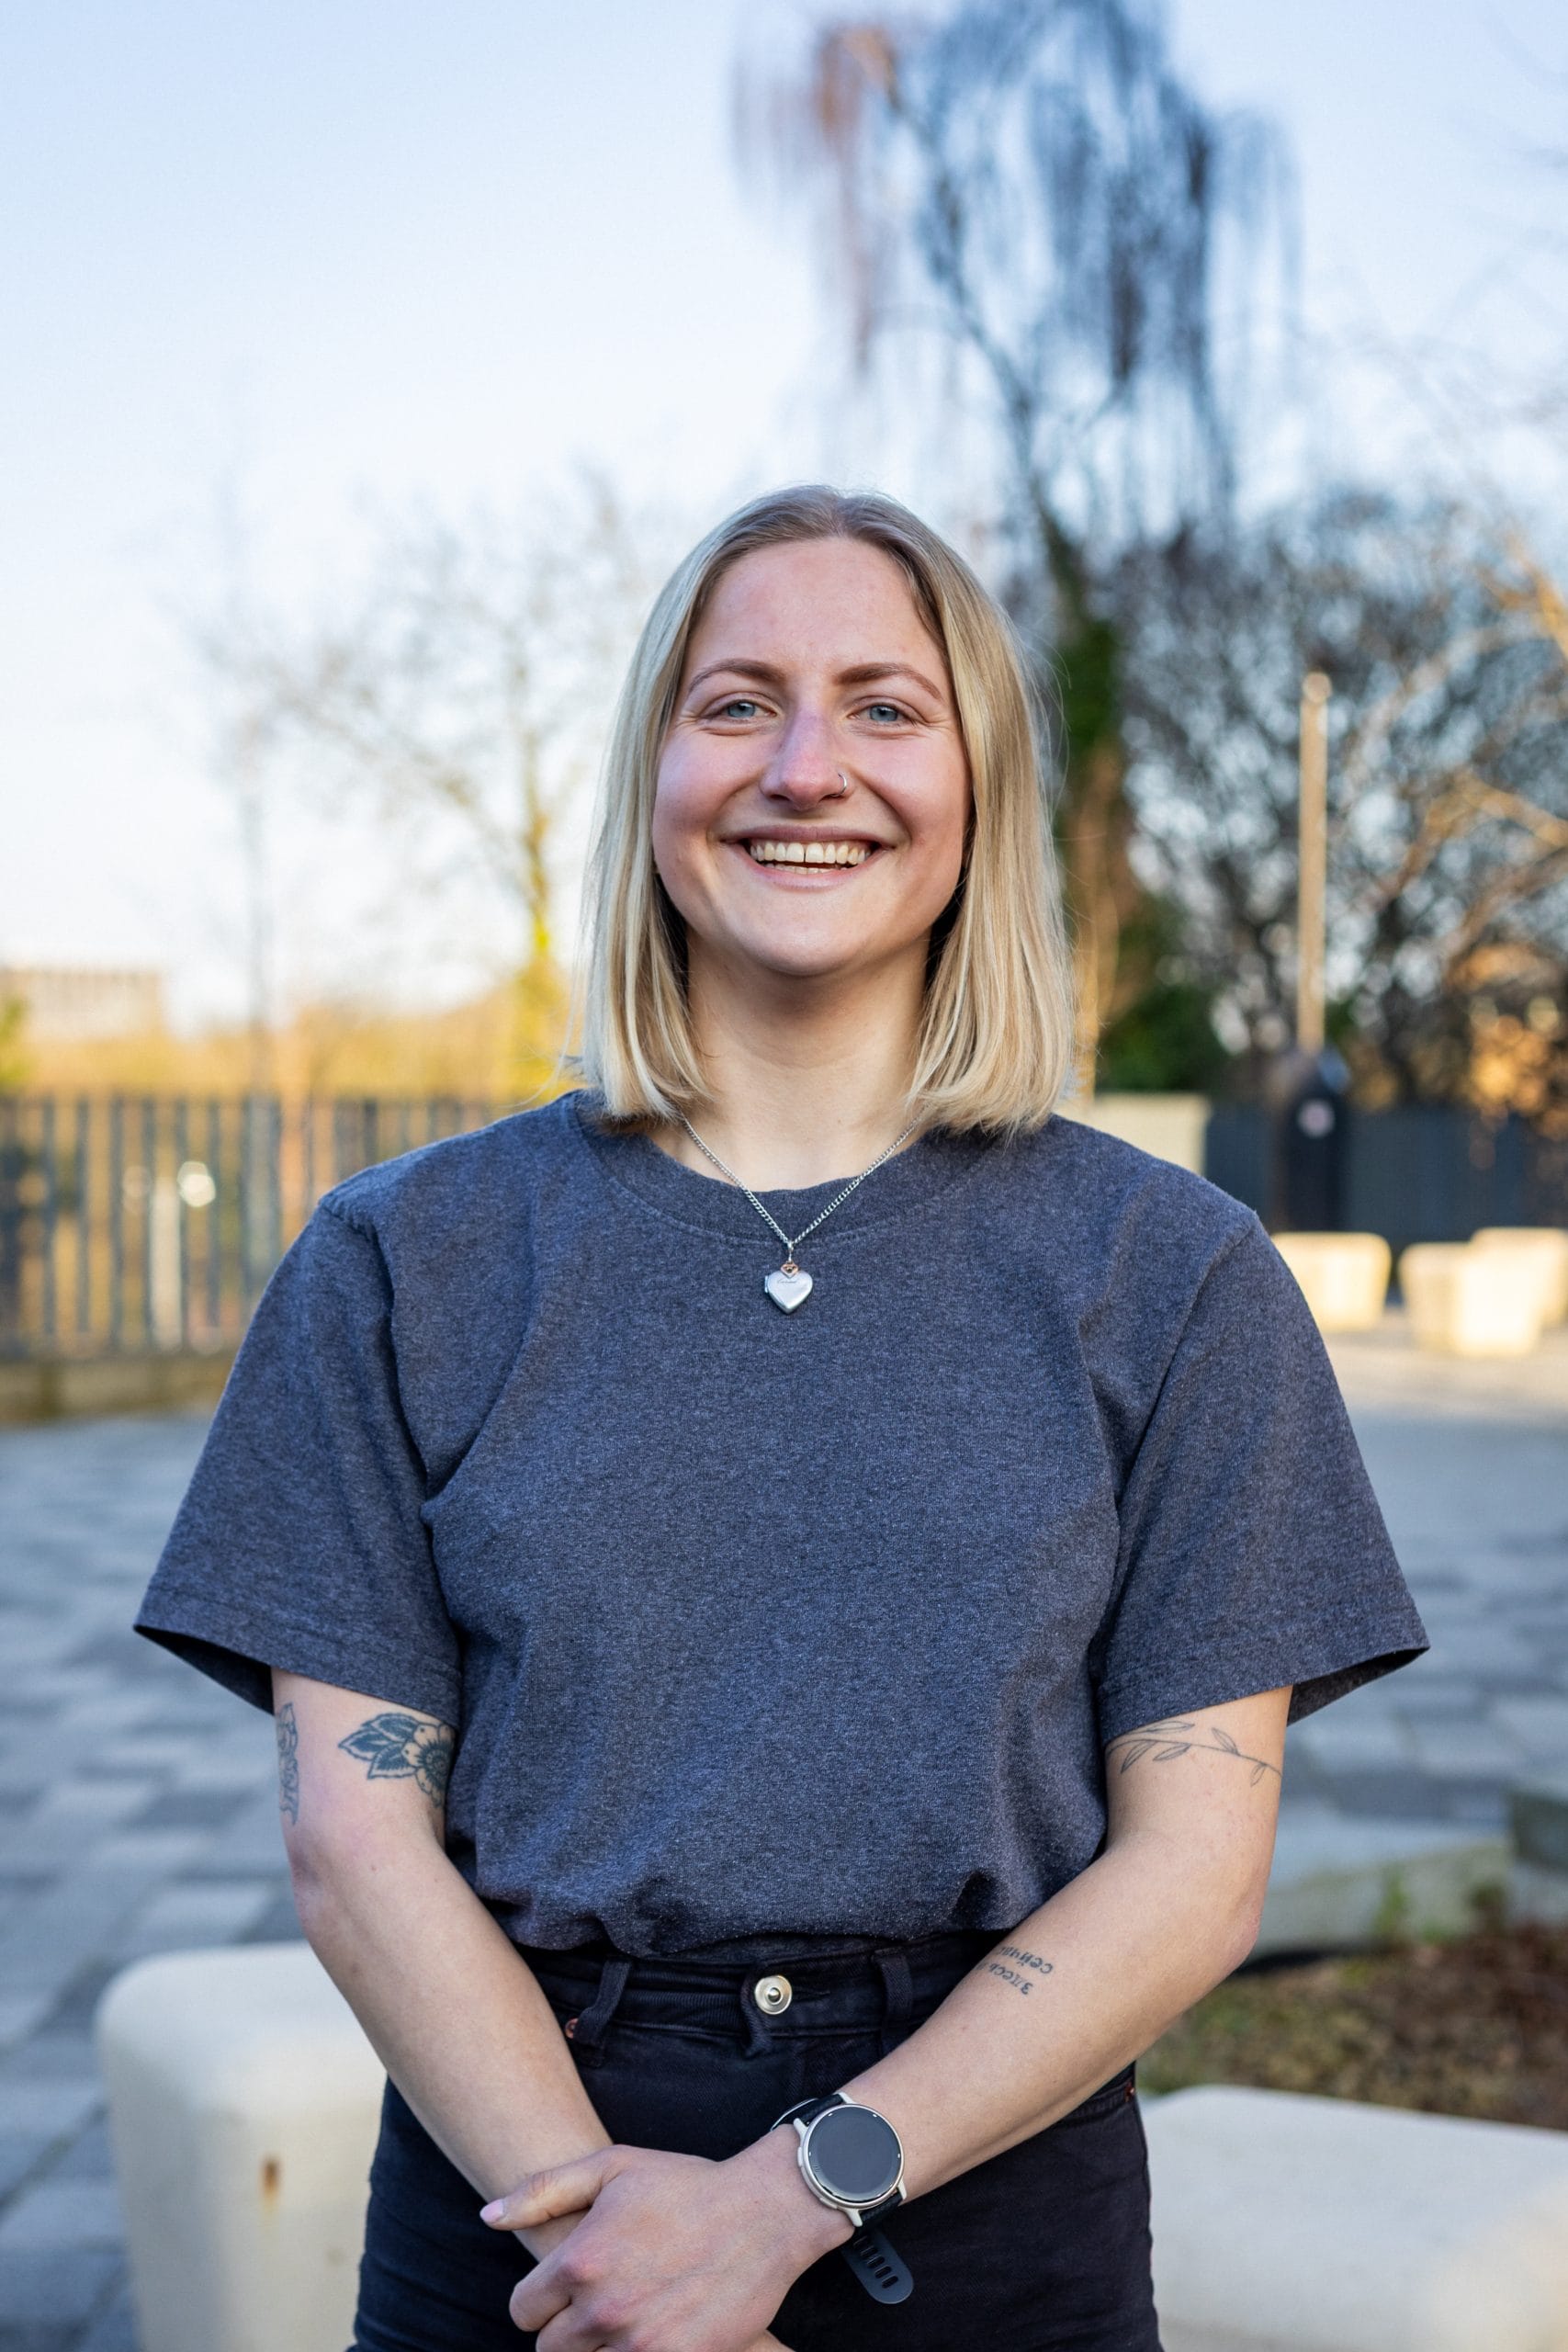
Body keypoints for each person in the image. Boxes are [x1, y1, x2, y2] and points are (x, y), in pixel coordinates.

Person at [136, 484, 1427, 2352]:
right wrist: (620, 2258)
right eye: (735, 702)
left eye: (886, 708)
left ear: (974, 785)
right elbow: (356, 1839)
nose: (805, 765)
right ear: (650, 770)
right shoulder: (401, 1257)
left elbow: (1194, 1865)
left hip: (990, 2199)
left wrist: (767, 2210)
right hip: (526, 2197)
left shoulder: (1174, 1271)